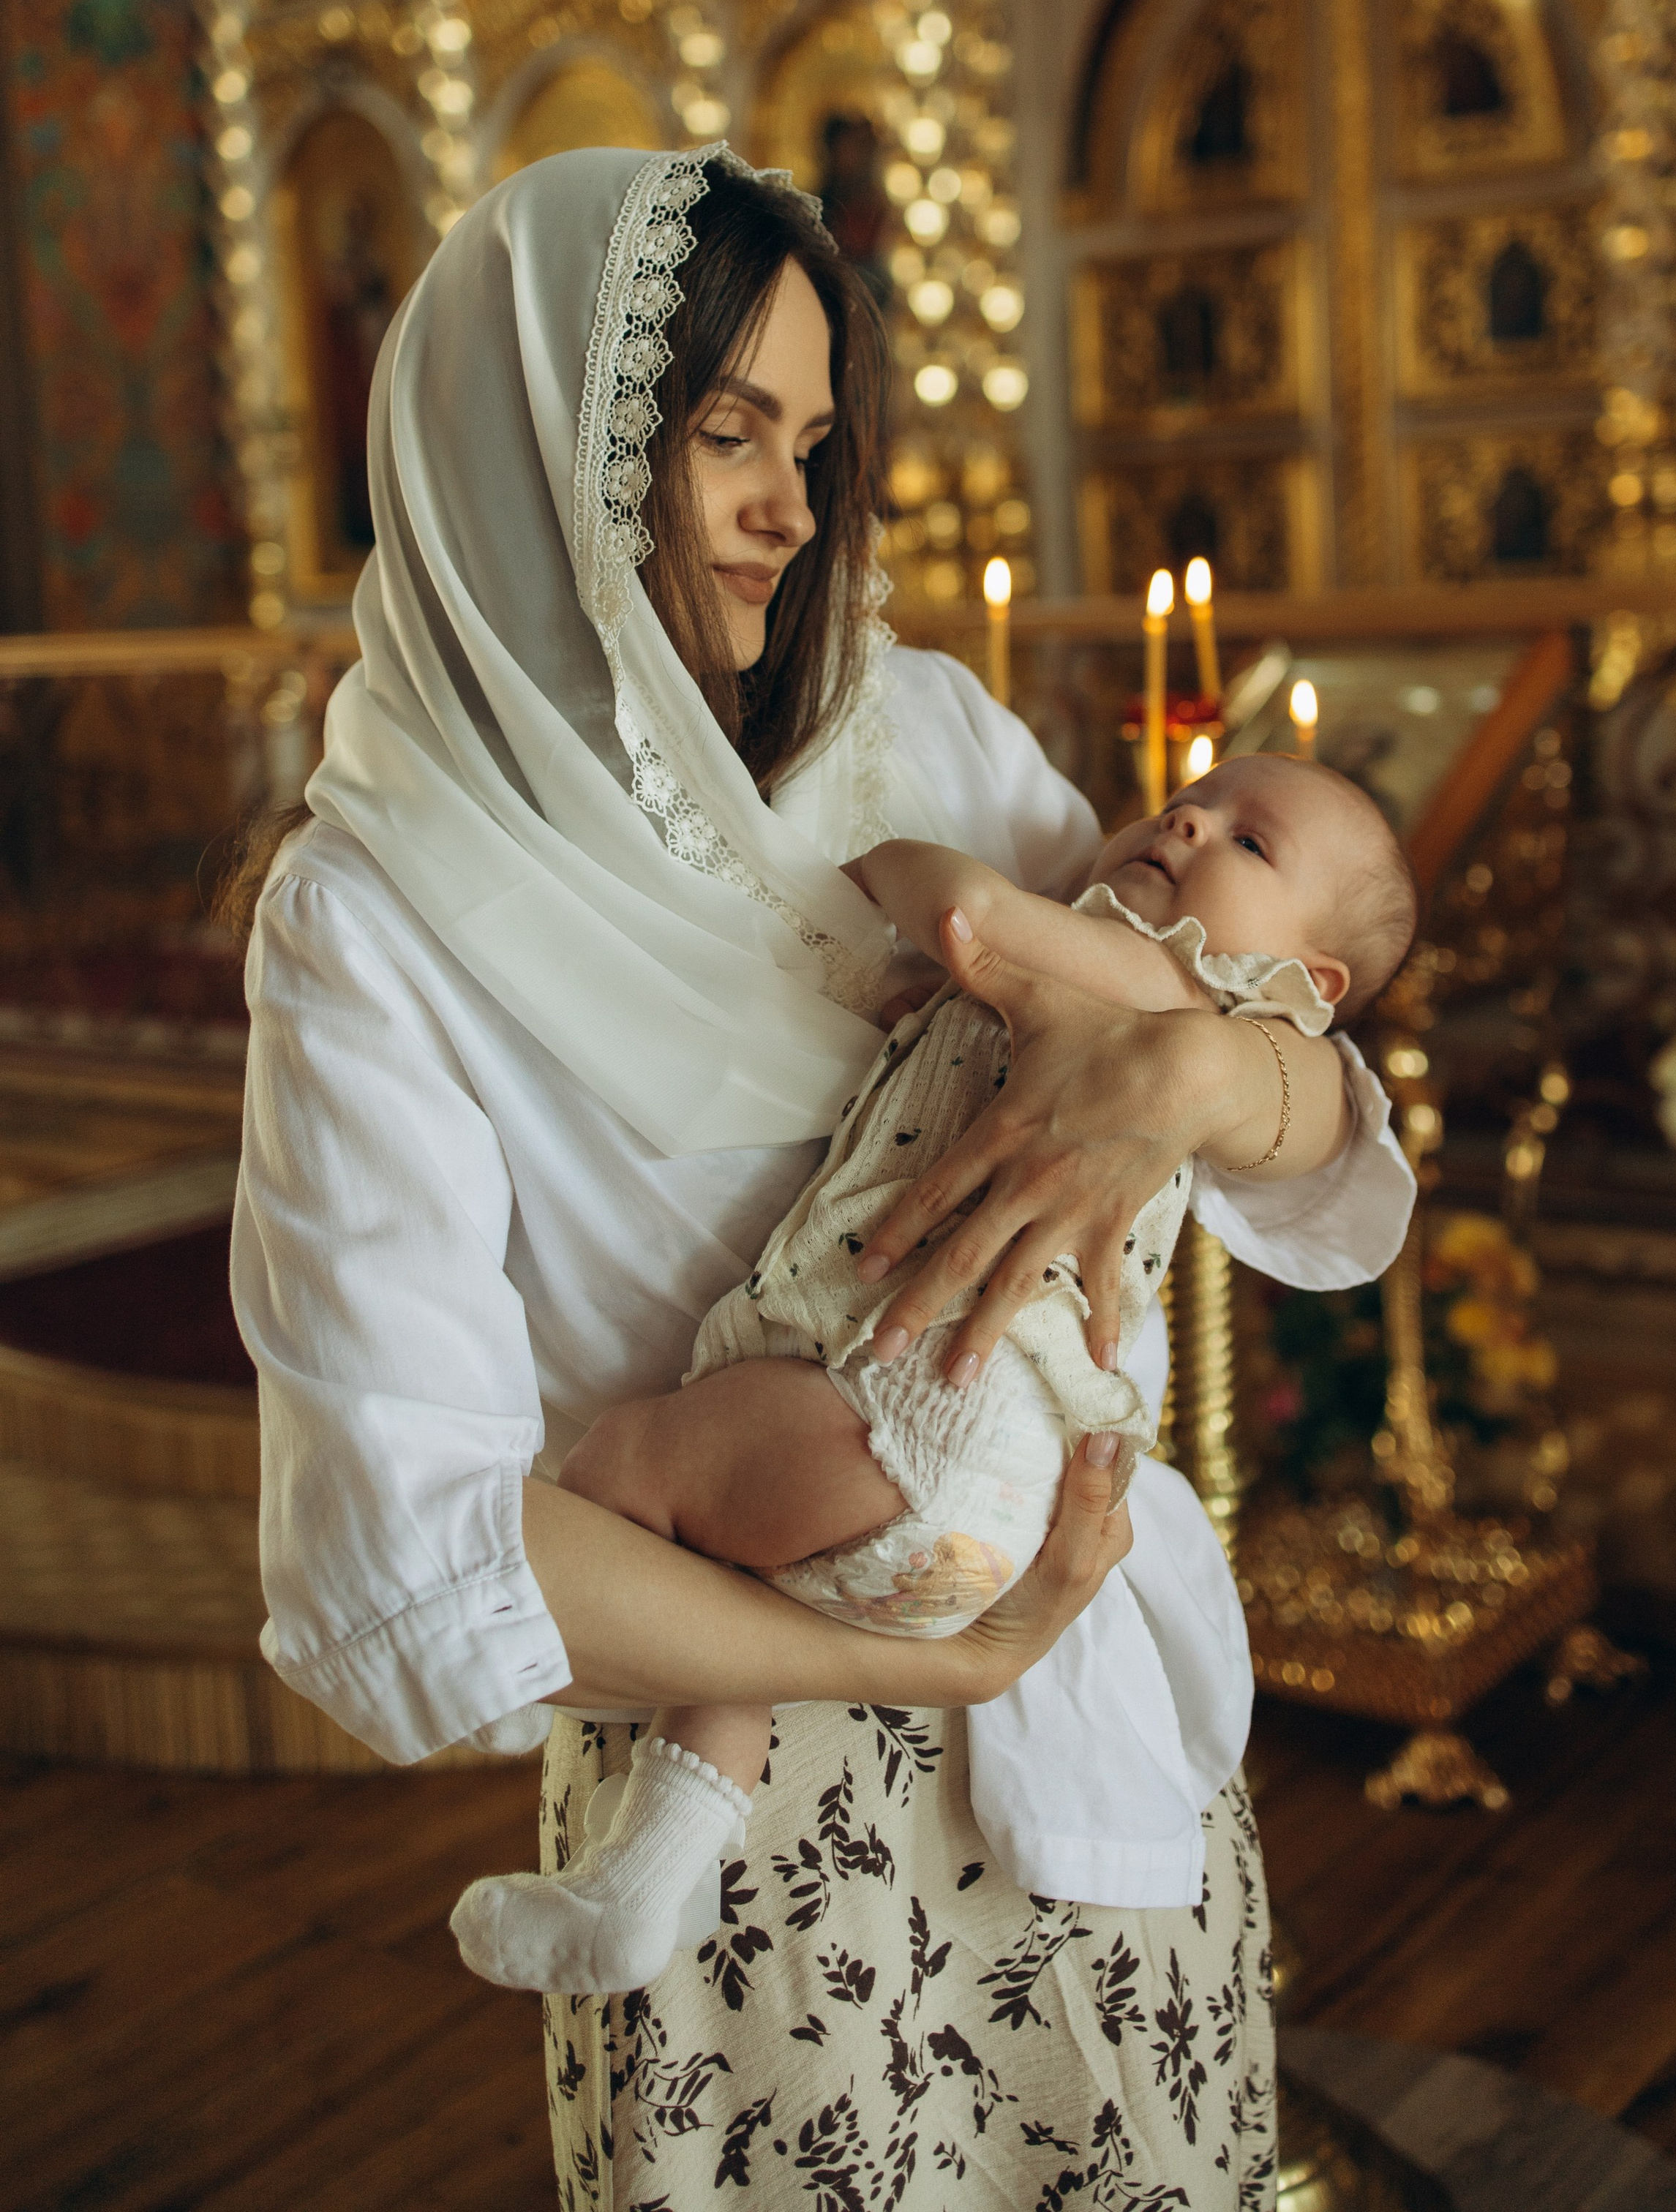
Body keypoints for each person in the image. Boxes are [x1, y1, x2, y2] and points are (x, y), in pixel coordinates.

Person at [229, 143, 1414, 2209]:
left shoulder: (924, 741)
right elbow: (402, 1576)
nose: (793, 503)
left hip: (1093, 1760)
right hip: (756, 1881)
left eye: (812, 438)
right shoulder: (373, 919)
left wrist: (1192, 1071)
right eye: (722, 435)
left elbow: (1322, 1160)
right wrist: (924, 1661)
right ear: (528, 452)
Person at [449, 756, 1416, 1997]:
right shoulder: (1130, 989)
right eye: (1194, 793)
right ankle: (653, 1879)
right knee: (725, 1601)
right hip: (974, 1517)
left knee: (621, 1464)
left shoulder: (1158, 983)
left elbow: (958, 899)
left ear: (1305, 983)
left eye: (1251, 843)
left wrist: (851, 869)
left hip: (896, 1433)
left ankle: (512, 1670)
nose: (1187, 816)